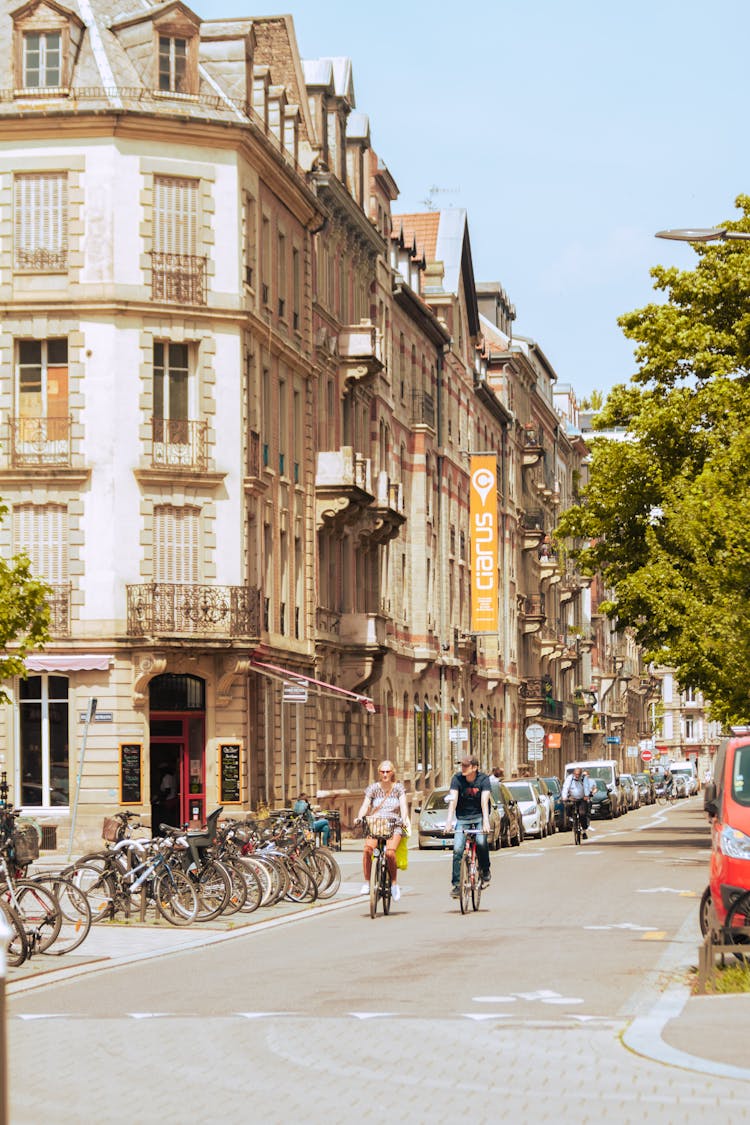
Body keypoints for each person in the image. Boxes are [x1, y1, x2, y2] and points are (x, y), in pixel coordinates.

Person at [354, 760, 409, 902]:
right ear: (379, 773)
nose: (385, 774)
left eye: (387, 771)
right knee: (367, 850)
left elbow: (403, 806)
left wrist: (404, 819)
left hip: (393, 824)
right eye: (382, 772)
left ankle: (394, 884)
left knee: (390, 853)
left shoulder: (398, 788)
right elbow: (365, 805)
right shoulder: (373, 788)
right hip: (376, 824)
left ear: (392, 773)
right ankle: (367, 882)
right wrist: (360, 817)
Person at [444, 755, 492, 898]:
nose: (462, 768)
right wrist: (448, 821)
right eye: (462, 766)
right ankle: (457, 885)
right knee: (458, 849)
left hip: (478, 816)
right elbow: (453, 801)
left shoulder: (483, 779)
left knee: (481, 842)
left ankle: (485, 871)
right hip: (462, 818)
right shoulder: (457, 779)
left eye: (466, 766)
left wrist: (485, 821)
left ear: (475, 768)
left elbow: (484, 801)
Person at [561, 766, 592, 838]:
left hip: (581, 799)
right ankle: (572, 819)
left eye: (579, 774)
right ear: (573, 773)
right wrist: (564, 797)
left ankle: (584, 830)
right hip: (573, 798)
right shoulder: (570, 778)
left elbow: (586, 787)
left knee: (582, 814)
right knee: (568, 807)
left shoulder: (584, 778)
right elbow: (566, 787)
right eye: (576, 774)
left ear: (581, 774)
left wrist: (586, 795)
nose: (577, 776)